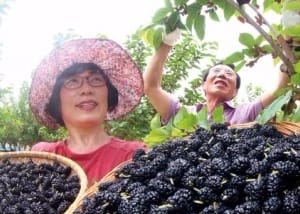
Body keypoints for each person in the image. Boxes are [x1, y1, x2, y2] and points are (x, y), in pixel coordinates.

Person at [29, 38, 145, 186]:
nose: (86, 89)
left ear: (108, 95)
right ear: (56, 99)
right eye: (73, 82)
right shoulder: (43, 156)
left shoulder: (134, 155)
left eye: (96, 80)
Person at [143, 29, 290, 125]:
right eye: (217, 71)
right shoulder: (182, 113)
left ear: (235, 92)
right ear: (203, 85)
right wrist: (167, 42)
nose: (221, 75)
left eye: (229, 74)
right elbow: (151, 86)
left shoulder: (245, 112)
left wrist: (286, 46)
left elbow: (278, 88)